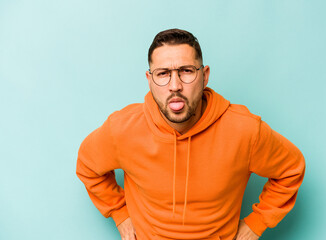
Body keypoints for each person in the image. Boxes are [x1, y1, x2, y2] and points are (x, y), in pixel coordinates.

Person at [76, 29, 305, 240]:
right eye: (163, 73)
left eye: (186, 71)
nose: (175, 85)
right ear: (149, 80)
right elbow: (87, 165)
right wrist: (119, 213)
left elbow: (291, 169)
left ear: (204, 76)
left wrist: (257, 224)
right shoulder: (123, 129)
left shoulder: (245, 131)